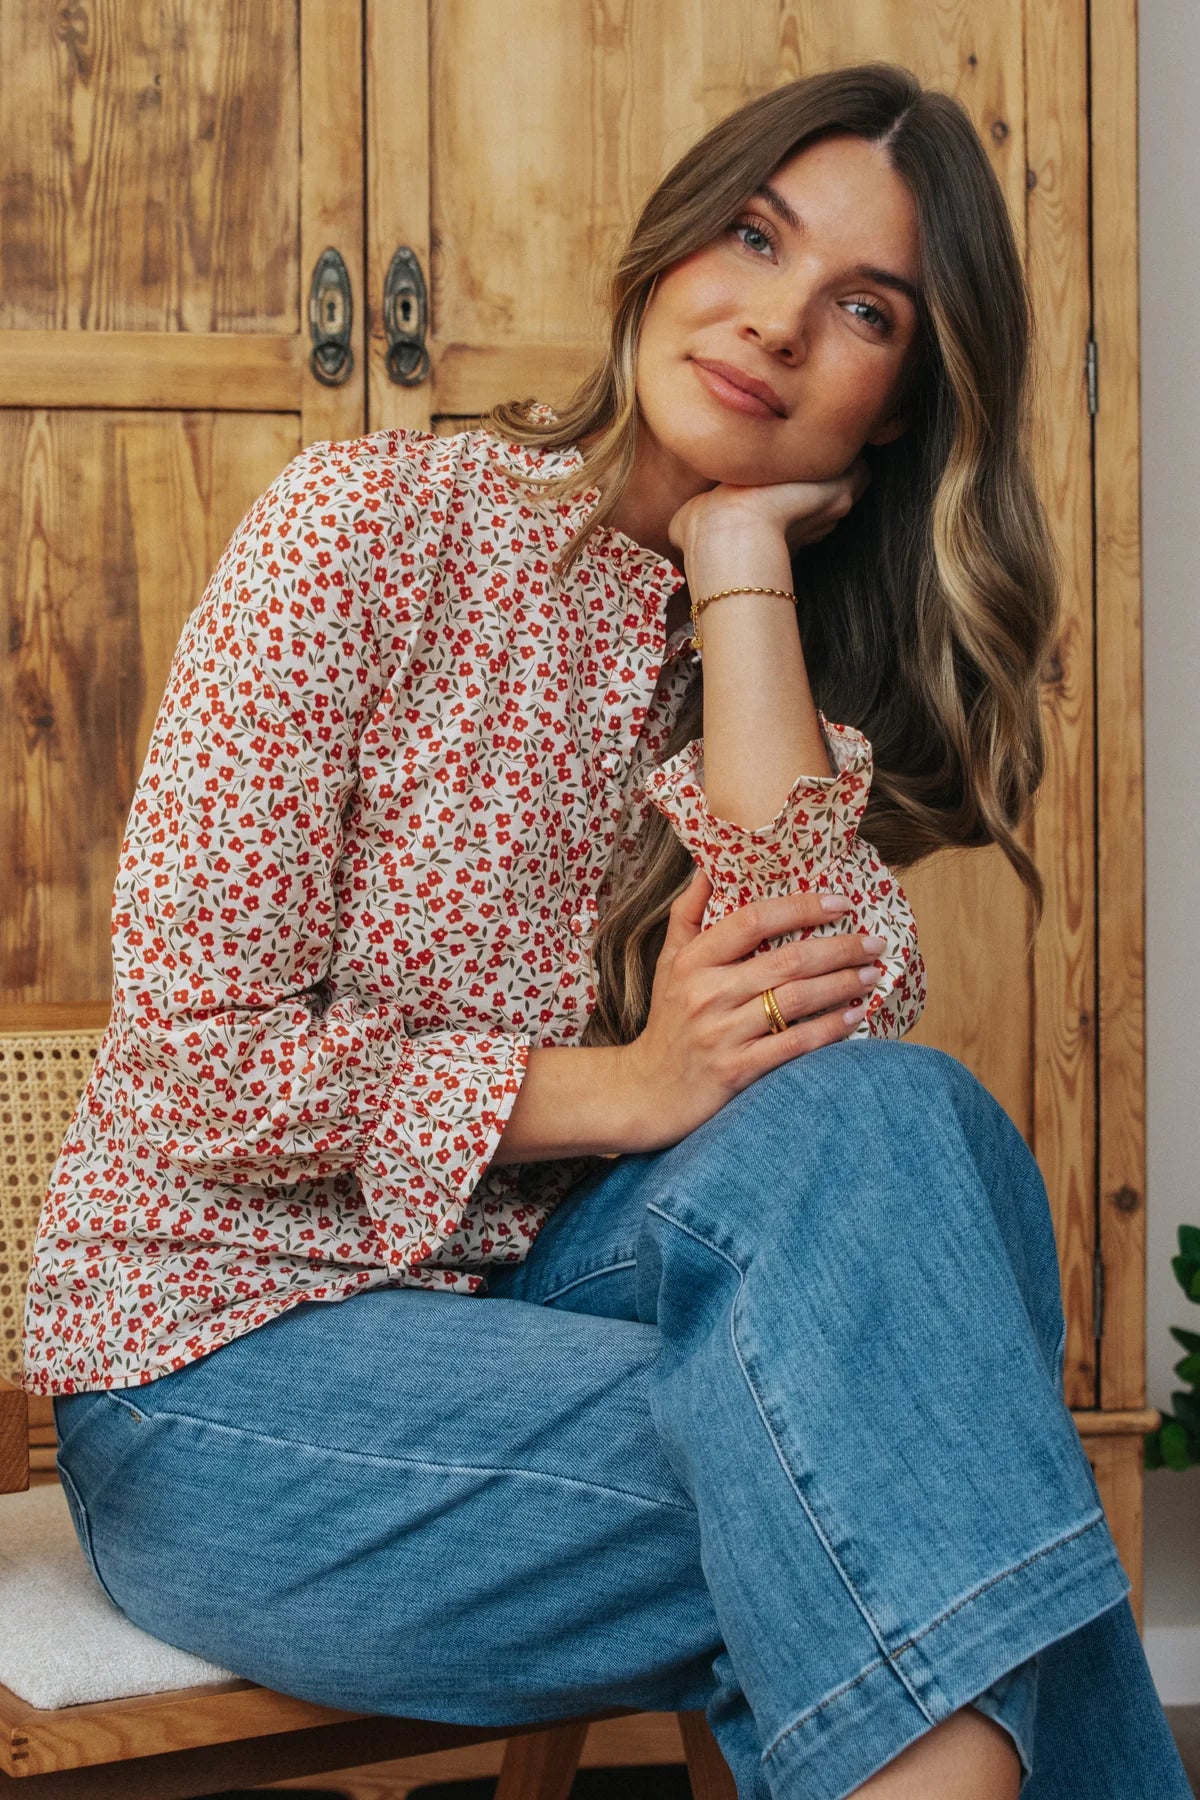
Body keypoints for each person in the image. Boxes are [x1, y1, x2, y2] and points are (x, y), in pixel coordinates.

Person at [28, 62, 1190, 1800]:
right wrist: (624, 1089)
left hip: (549, 1325)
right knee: (933, 1462)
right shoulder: (371, 529)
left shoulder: (767, 672)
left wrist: (738, 575)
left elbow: (831, 1088)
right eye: (753, 235)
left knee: (906, 1134)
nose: (777, 323)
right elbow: (195, 1071)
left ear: (896, 413)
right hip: (228, 1382)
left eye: (861, 310)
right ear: (664, 254)